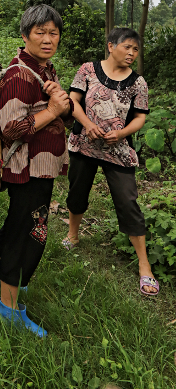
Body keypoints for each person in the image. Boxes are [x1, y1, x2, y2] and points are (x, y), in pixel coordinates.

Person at [0, 4, 73, 336]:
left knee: (16, 223)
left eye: (54, 32)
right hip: (28, 167)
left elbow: (58, 110)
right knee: (27, 233)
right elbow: (10, 128)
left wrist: (61, 106)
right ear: (25, 36)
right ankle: (9, 309)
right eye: (40, 32)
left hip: (40, 167)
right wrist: (53, 111)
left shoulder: (43, 70)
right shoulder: (19, 75)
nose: (48, 38)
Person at [64, 27, 159, 296]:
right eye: (127, 47)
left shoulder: (138, 83)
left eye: (136, 49)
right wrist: (87, 125)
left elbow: (140, 117)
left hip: (117, 151)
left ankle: (144, 265)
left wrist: (121, 133)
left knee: (128, 201)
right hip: (84, 145)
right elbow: (73, 100)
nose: (131, 53)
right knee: (77, 191)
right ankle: (72, 235)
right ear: (110, 46)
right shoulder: (88, 70)